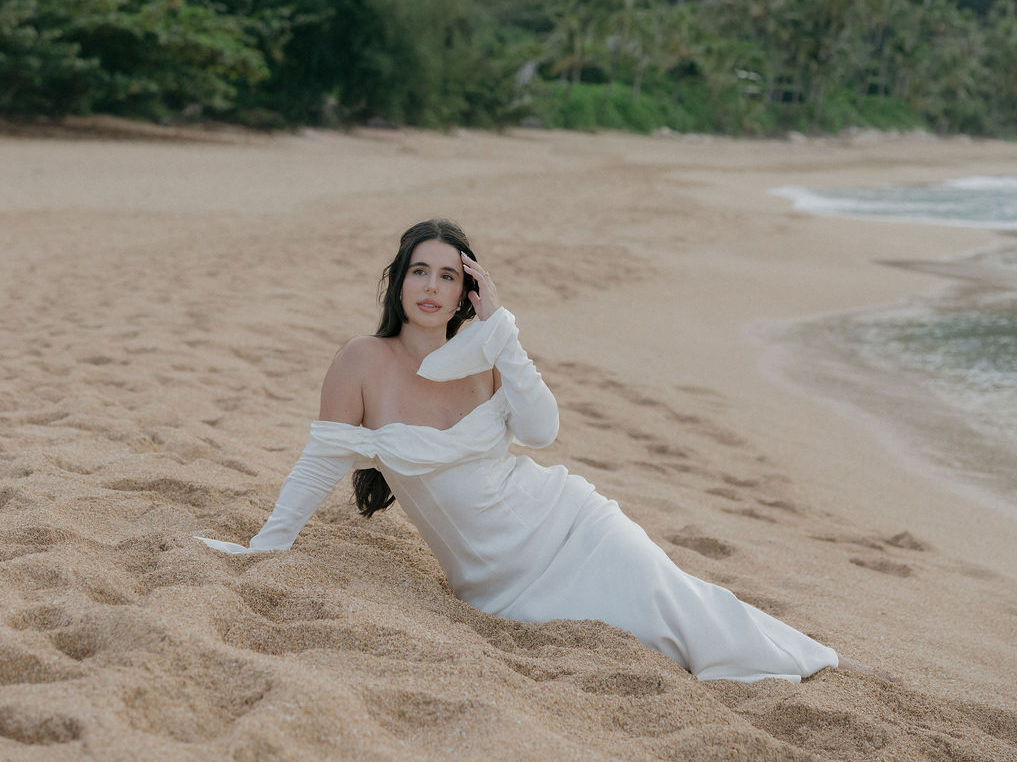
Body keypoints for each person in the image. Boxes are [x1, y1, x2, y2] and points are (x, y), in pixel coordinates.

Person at [197, 218, 867, 682]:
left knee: (672, 602)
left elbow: (543, 431)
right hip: (498, 585)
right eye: (419, 272)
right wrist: (267, 546)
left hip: (570, 524)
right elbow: (320, 462)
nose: (432, 288)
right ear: (398, 281)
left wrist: (505, 330)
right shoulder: (362, 362)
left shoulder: (487, 352)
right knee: (644, 635)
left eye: (449, 278)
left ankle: (798, 658)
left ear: (468, 292)